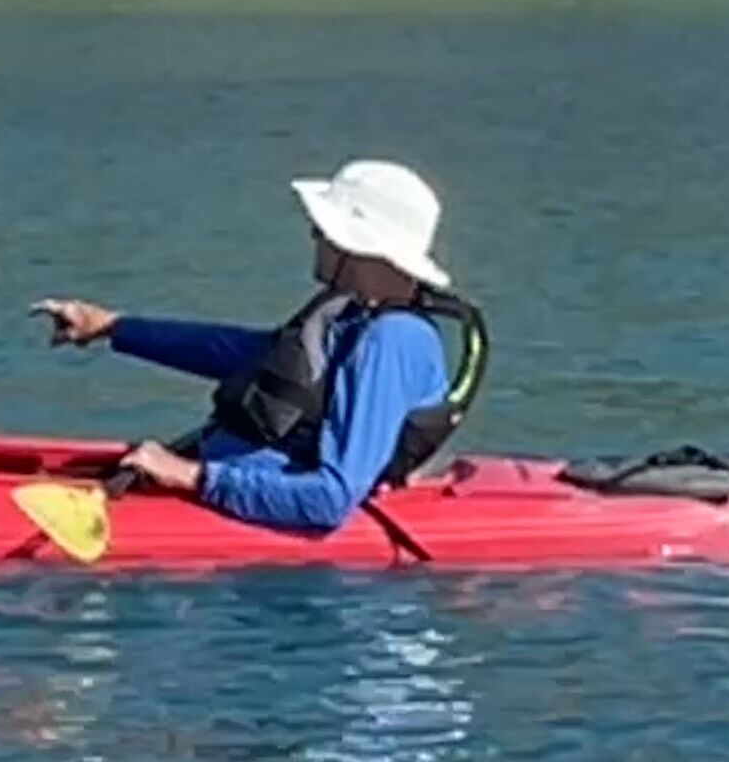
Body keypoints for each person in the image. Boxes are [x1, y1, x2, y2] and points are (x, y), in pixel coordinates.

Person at [35, 158, 489, 538]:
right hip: (231, 470)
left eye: (321, 230)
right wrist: (112, 327)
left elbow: (330, 500)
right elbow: (238, 353)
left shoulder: (393, 341)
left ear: (357, 248)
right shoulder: (348, 313)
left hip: (254, 499)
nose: (314, 237)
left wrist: (191, 476)